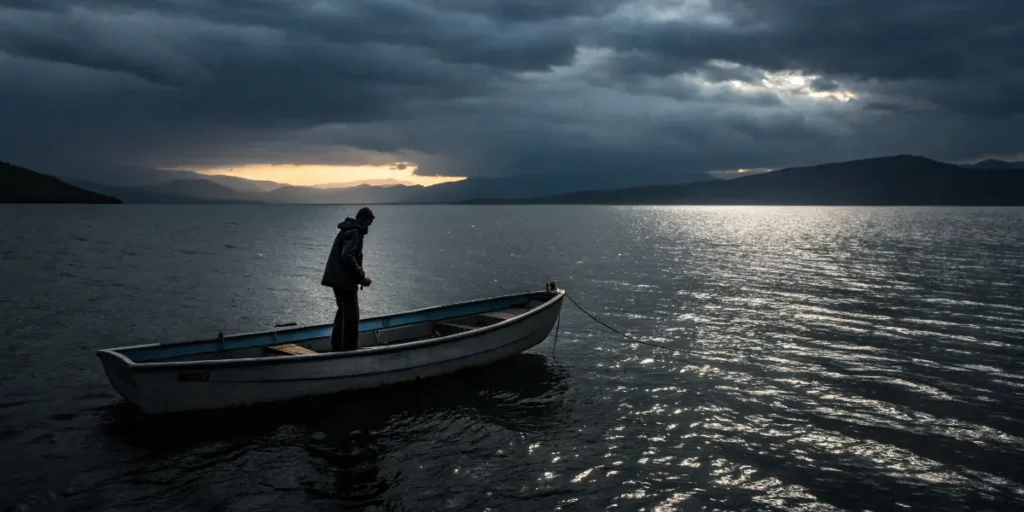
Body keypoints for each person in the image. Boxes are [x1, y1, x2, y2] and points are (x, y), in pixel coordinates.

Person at [321, 207, 374, 351]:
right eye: (369, 222)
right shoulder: (355, 233)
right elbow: (348, 257)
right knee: (351, 317)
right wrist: (361, 277)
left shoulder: (347, 230)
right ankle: (349, 351)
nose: (369, 226)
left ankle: (337, 347)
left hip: (337, 280)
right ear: (363, 219)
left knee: (342, 312)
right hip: (344, 281)